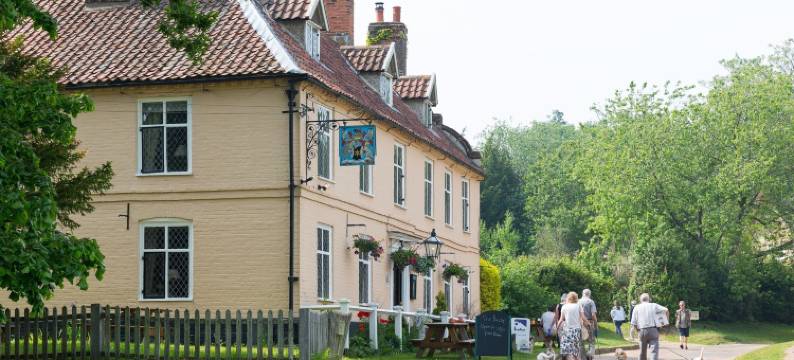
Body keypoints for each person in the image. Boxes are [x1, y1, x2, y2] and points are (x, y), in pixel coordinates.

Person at [630, 293, 669, 360]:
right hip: (653, 330)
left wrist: (638, 331)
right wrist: (666, 322)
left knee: (642, 352)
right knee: (654, 351)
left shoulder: (636, 307)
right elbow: (666, 310)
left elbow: (633, 323)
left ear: (640, 300)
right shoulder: (653, 305)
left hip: (642, 330)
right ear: (649, 299)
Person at [557, 292, 588, 360]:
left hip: (567, 330)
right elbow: (583, 317)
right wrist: (588, 323)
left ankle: (568, 358)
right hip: (576, 330)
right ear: (576, 298)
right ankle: (576, 358)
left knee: (566, 347)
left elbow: (561, 319)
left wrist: (557, 327)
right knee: (575, 347)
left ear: (568, 298)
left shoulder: (564, 306)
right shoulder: (578, 305)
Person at [578, 289, 598, 359]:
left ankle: (582, 357)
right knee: (591, 341)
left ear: (582, 293)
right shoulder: (591, 302)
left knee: (580, 341)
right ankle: (589, 356)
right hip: (589, 322)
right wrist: (596, 324)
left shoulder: (578, 301)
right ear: (589, 294)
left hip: (580, 323)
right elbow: (593, 315)